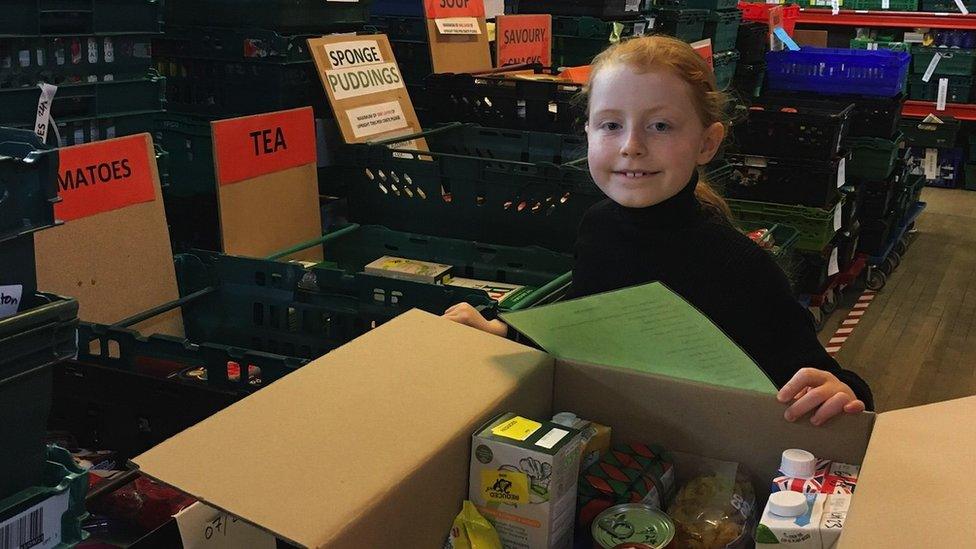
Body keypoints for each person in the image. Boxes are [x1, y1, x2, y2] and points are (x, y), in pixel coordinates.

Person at [444, 35, 873, 425]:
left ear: (707, 143)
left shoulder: (741, 266)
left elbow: (825, 379)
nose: (632, 145)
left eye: (660, 126)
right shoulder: (597, 227)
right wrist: (503, 332)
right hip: (609, 433)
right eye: (611, 125)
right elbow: (587, 330)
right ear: (588, 132)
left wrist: (843, 392)